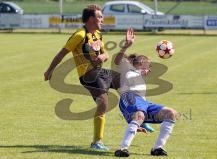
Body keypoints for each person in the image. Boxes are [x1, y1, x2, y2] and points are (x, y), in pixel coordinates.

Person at [44, 4, 120, 151]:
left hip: (100, 71)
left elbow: (105, 54)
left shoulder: (97, 34)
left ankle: (138, 117)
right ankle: (97, 142)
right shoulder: (80, 35)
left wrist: (101, 58)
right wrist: (50, 70)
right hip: (88, 75)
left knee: (127, 82)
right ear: (91, 19)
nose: (103, 19)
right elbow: (62, 53)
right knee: (103, 103)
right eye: (100, 17)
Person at [113, 28, 177, 157]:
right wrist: (126, 45)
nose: (148, 67)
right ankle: (123, 149)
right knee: (140, 114)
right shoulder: (127, 67)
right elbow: (117, 60)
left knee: (171, 113)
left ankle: (157, 148)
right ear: (138, 62)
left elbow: (139, 105)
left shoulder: (139, 75)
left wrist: (137, 122)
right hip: (129, 98)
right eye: (146, 63)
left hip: (142, 103)